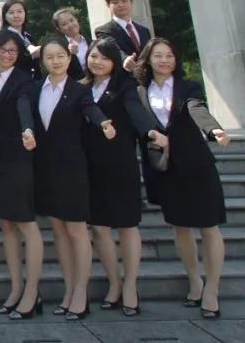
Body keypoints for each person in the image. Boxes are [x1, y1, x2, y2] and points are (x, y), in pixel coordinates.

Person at [135, 37, 231, 319]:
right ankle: (194, 281)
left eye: (169, 55)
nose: (164, 60)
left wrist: (214, 130)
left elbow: (196, 108)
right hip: (165, 167)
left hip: (196, 165)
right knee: (180, 227)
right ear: (148, 59)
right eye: (158, 55)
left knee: (209, 226)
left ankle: (212, 289)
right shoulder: (140, 90)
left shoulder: (189, 87)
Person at [31, 37, 116, 321]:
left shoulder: (79, 90)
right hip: (45, 168)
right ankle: (68, 291)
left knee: (77, 230)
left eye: (60, 56)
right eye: (49, 57)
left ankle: (81, 292)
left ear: (69, 58)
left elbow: (90, 109)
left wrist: (103, 122)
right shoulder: (36, 89)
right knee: (58, 231)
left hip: (71, 168)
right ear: (42, 61)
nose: (55, 61)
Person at [81, 38, 152, 317]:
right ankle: (114, 283)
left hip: (120, 162)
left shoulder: (125, 87)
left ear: (114, 61)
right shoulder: (81, 87)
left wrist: (150, 132)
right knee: (99, 228)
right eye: (93, 56)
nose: (97, 62)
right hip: (90, 165)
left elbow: (136, 112)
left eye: (104, 57)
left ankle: (131, 284)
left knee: (127, 225)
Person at [0, 31, 43, 321]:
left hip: (18, 157)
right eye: (3, 50)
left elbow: (23, 106)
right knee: (6, 224)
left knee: (26, 223)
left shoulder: (23, 81)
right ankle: (16, 287)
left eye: (13, 51)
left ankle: (33, 291)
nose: (7, 55)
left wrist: (27, 129)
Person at [94, 0, 152, 72]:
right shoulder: (103, 31)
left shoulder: (144, 30)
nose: (121, 5)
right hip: (124, 78)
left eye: (124, 0)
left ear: (131, 1)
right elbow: (114, 49)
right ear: (108, 5)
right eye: (115, 2)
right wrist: (125, 59)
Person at [0, 0, 40, 79]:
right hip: (15, 80)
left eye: (20, 11)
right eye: (11, 13)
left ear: (25, 14)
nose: (16, 15)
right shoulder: (3, 36)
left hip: (34, 79)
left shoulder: (28, 34)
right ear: (5, 16)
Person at [53, 8, 90, 81]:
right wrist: (66, 52)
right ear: (60, 29)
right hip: (75, 85)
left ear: (77, 20)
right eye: (64, 24)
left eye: (72, 20)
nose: (70, 25)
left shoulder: (91, 41)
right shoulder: (58, 47)